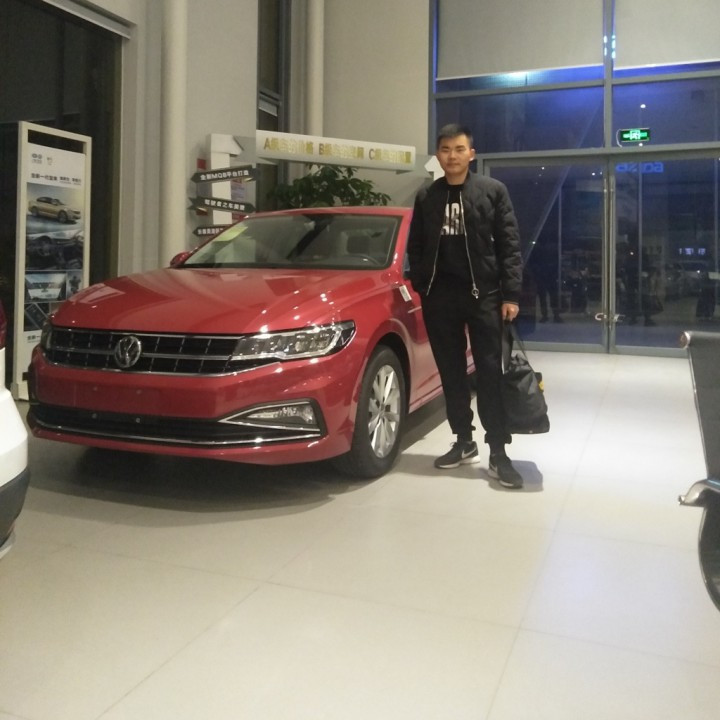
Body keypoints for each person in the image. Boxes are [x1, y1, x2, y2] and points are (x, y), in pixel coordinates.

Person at [407, 123, 524, 489]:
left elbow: (509, 245)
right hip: (440, 297)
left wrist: (510, 295)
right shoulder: (427, 196)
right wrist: (422, 286)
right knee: (451, 372)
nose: (452, 156)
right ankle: (463, 440)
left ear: (471, 154)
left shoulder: (492, 191)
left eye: (459, 149)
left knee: (489, 372)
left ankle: (498, 451)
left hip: (484, 296)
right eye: (445, 149)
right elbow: (416, 245)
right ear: (437, 155)